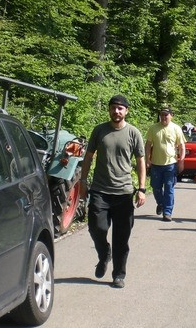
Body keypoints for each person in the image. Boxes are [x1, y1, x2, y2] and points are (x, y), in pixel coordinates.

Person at [79, 95, 146, 288]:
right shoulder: (99, 130)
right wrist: (83, 182)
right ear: (109, 110)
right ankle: (103, 254)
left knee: (121, 238)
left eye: (120, 108)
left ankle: (118, 274)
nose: (116, 111)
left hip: (124, 193)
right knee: (96, 228)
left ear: (126, 111)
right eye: (113, 108)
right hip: (100, 190)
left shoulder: (133, 133)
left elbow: (141, 161)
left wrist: (141, 189)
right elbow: (88, 157)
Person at [145, 107, 186, 222]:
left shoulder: (176, 128)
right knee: (156, 187)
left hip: (170, 164)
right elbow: (148, 145)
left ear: (171, 116)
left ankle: (167, 212)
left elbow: (181, 146)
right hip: (156, 164)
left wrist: (181, 161)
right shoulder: (153, 128)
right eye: (162, 115)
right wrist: (147, 159)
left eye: (166, 115)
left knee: (169, 188)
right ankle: (161, 203)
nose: (163, 117)